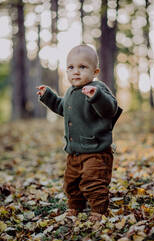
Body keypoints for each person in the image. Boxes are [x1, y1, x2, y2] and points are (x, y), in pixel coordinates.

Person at [36, 44, 122, 221]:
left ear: (95, 71)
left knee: (94, 182)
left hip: (96, 150)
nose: (75, 72)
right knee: (71, 183)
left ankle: (99, 210)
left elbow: (110, 109)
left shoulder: (98, 88)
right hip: (74, 152)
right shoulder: (70, 91)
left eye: (82, 67)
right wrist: (48, 96)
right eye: (71, 67)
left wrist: (95, 96)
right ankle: (75, 206)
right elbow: (62, 107)